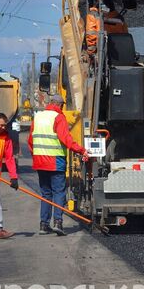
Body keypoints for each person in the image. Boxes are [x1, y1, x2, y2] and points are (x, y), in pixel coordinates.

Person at [28, 94, 88, 236]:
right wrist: (82, 150)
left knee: (45, 194)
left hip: (40, 162)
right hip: (55, 162)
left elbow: (30, 140)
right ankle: (58, 223)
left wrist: (36, 156)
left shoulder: (38, 117)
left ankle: (43, 225)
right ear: (60, 105)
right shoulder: (58, 117)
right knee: (58, 192)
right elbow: (66, 139)